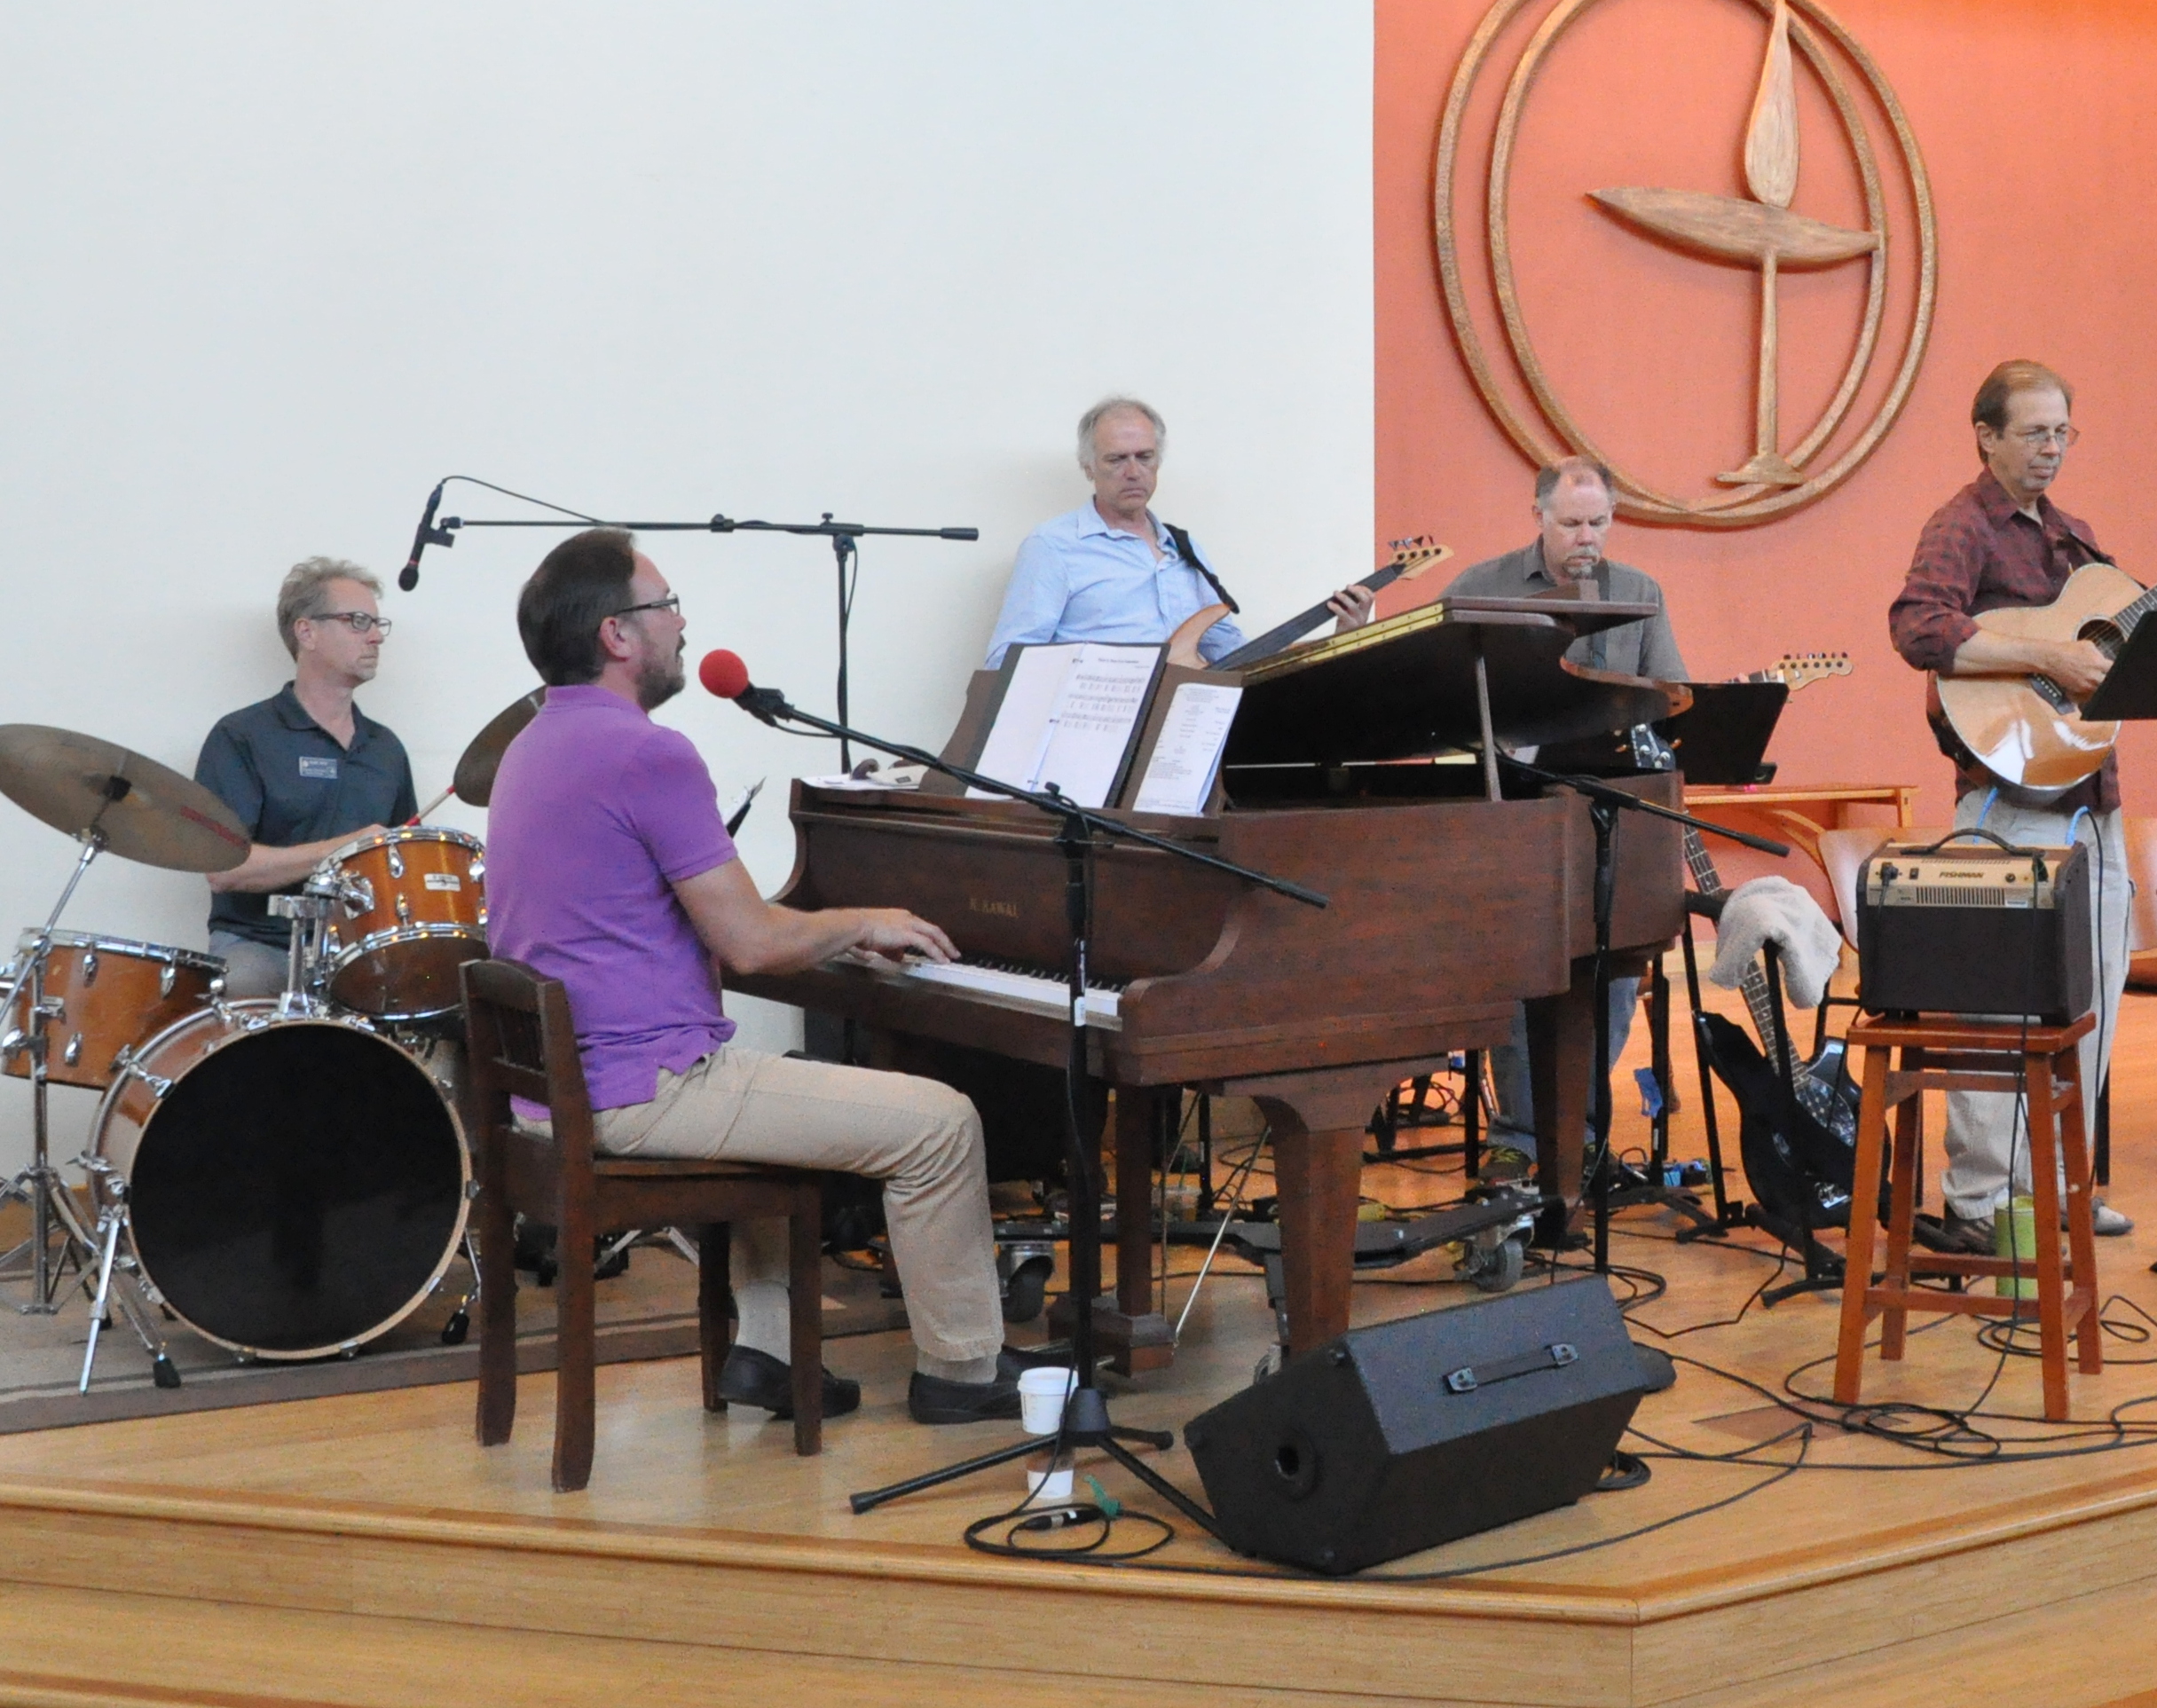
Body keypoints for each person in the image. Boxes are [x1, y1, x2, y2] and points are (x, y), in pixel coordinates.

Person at [486, 527, 1024, 1423]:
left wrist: (827, 938)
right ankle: (962, 1371)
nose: (682, 622)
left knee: (789, 1096)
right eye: (666, 605)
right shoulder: (647, 752)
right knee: (942, 1124)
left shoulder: (534, 744)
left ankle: (767, 1348)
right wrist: (862, 920)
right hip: (642, 1085)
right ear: (618, 634)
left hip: (564, 1084)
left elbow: (649, 920)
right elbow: (751, 946)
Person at [1888, 360, 2157, 1248]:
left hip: (2092, 802)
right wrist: (2051, 659)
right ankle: (1979, 1202)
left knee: (2087, 1006)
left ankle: (2063, 1184)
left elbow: (2147, 626)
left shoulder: (2074, 538)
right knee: (1996, 1010)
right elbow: (1919, 626)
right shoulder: (1961, 525)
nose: (2052, 448)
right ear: (1986, 435)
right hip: (2006, 801)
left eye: (2062, 432)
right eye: (2034, 432)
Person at [1448, 458, 1686, 1180]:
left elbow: (1669, 701)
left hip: (1607, 818)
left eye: (1598, 522)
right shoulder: (1481, 586)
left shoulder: (1637, 592)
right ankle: (1519, 1135)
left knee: (1612, 971)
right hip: (1512, 819)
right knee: (1522, 970)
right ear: (1539, 516)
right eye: (1572, 522)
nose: (1587, 536)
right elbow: (1439, 700)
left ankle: (1577, 1130)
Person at [983, 396, 1374, 668]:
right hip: (1096, 729)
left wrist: (1338, 638)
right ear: (1088, 466)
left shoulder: (1185, 549)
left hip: (1184, 727)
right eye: (1116, 459)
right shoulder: (1053, 546)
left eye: (1145, 457)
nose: (1133, 471)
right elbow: (1006, 661)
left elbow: (1234, 656)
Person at [196, 559, 421, 999]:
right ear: (307, 632)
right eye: (358, 621)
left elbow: (404, 866)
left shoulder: (386, 748)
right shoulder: (242, 736)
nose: (375, 637)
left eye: (377, 624)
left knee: (439, 1001)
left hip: (359, 951)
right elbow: (225, 870)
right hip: (261, 946)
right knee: (241, 988)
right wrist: (349, 849)